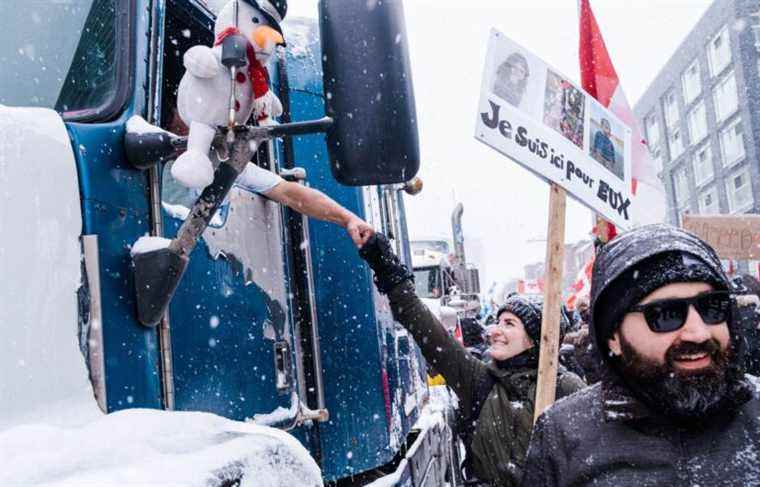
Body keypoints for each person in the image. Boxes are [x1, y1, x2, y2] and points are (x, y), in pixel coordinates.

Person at [521, 224, 760, 486]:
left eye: (712, 307)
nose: (699, 333)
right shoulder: (563, 434)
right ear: (613, 336)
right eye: (666, 315)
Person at [358, 234, 585, 486]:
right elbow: (425, 328)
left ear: (535, 338)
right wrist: (388, 270)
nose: (494, 330)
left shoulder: (565, 388)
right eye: (497, 322)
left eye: (509, 324)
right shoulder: (480, 381)